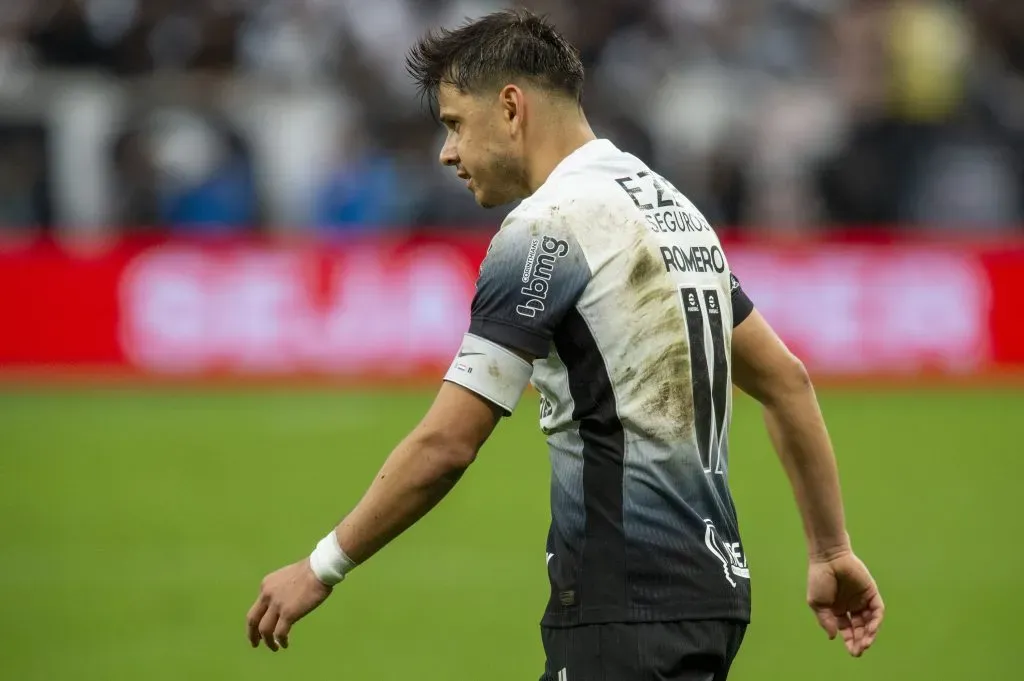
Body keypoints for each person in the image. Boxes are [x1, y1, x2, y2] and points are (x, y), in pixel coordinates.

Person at [245, 10, 885, 679]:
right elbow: (787, 380)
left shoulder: (548, 228)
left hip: (624, 605)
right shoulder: (671, 208)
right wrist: (830, 550)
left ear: (512, 108)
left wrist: (322, 565)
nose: (447, 152)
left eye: (455, 122)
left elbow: (446, 443)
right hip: (710, 595)